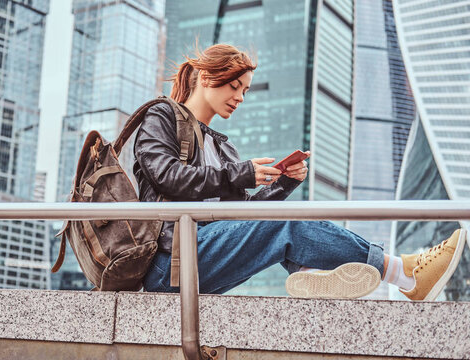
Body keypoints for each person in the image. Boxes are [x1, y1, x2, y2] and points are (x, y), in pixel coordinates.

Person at [132, 43, 467, 300]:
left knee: (283, 215)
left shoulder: (221, 148)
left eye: (245, 90)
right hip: (169, 261)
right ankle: (404, 274)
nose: (240, 97)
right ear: (206, 78)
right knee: (284, 225)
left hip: (204, 254)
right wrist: (243, 174)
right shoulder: (162, 116)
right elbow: (166, 175)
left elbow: (246, 220)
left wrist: (284, 184)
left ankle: (308, 271)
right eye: (234, 86)